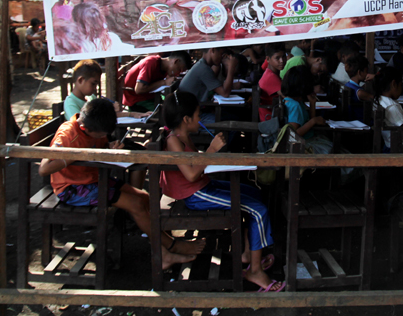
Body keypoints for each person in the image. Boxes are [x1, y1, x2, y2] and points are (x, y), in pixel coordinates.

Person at [38, 99, 203, 270]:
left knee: (145, 198)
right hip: (72, 189)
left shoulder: (94, 122)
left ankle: (162, 252)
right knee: (136, 204)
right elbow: (44, 168)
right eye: (101, 136)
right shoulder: (67, 136)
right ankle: (171, 246)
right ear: (86, 129)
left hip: (93, 179)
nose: (103, 138)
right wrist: (83, 153)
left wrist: (109, 147)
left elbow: (98, 146)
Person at [161, 90, 284, 292]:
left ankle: (248, 254)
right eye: (198, 115)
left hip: (201, 185)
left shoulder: (183, 135)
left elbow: (195, 164)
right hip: (194, 194)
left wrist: (209, 154)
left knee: (254, 193)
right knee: (258, 210)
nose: (200, 119)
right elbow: (191, 175)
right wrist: (211, 151)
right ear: (186, 119)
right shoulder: (174, 140)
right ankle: (255, 271)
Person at [178, 47, 239, 123]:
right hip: (192, 117)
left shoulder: (202, 65)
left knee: (232, 116)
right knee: (231, 123)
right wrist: (231, 68)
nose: (221, 58)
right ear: (213, 50)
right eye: (221, 54)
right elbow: (225, 93)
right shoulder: (203, 69)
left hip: (195, 110)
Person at [281, 66, 332, 155]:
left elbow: (307, 121)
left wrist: (312, 104)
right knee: (333, 150)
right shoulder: (295, 106)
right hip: (302, 144)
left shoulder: (292, 100)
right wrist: (313, 121)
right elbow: (293, 134)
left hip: (307, 139)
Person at [122, 53, 189, 112]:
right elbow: (139, 89)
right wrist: (164, 82)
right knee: (168, 113)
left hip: (151, 98)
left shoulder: (164, 68)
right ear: (176, 61)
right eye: (179, 70)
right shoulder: (151, 62)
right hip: (136, 101)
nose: (178, 74)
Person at [258, 44, 287, 121]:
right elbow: (288, 97)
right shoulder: (271, 77)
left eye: (284, 56)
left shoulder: (271, 73)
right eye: (277, 58)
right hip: (271, 120)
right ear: (268, 59)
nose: (282, 61)